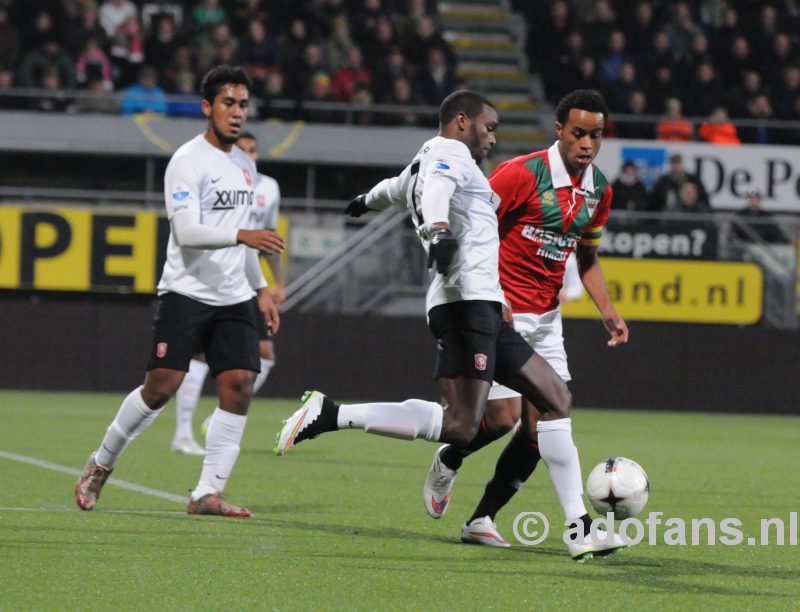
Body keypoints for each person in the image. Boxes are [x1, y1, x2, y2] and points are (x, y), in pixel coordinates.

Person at [274, 90, 625, 560]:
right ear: (463, 122)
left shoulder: (429, 159)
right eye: (489, 126)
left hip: (494, 306)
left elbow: (397, 187)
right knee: (466, 424)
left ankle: (560, 525)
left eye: (596, 135)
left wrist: (364, 200)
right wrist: (438, 231)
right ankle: (333, 414)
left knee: (547, 403)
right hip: (475, 302)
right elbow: (438, 187)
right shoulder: (465, 158)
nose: (493, 137)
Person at [74, 65, 285, 517]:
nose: (237, 112)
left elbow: (241, 233)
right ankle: (101, 462)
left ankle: (206, 493)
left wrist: (262, 288)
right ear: (207, 108)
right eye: (228, 103)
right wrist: (243, 239)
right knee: (162, 385)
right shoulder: (187, 161)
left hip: (233, 295)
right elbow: (188, 231)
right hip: (186, 291)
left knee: (240, 384)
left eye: (243, 104)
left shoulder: (245, 166)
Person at [421, 89, 628, 548]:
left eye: (596, 135)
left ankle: (488, 521)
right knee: (498, 420)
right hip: (498, 310)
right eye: (578, 133)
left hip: (547, 318)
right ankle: (451, 456)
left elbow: (587, 257)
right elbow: (473, 227)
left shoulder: (599, 190)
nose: (587, 144)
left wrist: (608, 311)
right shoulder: (519, 174)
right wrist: (488, 293)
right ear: (560, 131)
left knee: (540, 429)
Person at [171, 130, 285, 455]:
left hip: (248, 278)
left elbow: (269, 239)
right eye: (243, 148)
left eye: (253, 148)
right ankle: (182, 433)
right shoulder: (214, 174)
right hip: (214, 275)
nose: (248, 153)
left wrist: (277, 282)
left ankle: (214, 420)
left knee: (264, 355)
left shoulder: (269, 187)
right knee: (197, 356)